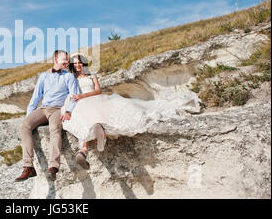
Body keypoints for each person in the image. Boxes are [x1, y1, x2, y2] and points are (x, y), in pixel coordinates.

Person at [61, 53, 201, 170]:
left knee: (114, 107)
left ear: (83, 64)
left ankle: (93, 140)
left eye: (80, 63)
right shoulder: (71, 78)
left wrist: (83, 96)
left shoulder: (92, 75)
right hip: (79, 102)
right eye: (75, 64)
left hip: (93, 97)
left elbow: (98, 90)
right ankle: (84, 150)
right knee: (83, 116)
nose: (78, 65)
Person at [15, 50, 80, 182]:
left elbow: (75, 97)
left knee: (55, 129)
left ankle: (53, 167)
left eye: (67, 60)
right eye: (64, 59)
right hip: (43, 108)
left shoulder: (69, 77)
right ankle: (28, 167)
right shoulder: (44, 76)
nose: (67, 62)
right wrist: (29, 117)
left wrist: (68, 111)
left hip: (58, 109)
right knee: (24, 126)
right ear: (55, 59)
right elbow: (35, 98)